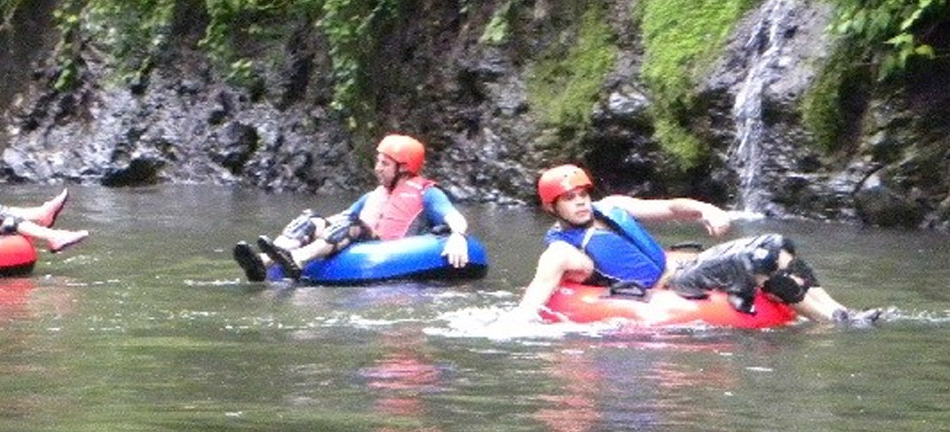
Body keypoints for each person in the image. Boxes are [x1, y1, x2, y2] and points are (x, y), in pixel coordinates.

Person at [513, 164, 887, 326]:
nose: (579, 202)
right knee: (764, 253)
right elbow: (536, 295)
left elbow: (670, 206)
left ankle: (837, 314)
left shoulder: (612, 207)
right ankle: (838, 320)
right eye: (569, 198)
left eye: (582, 194)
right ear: (552, 207)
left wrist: (705, 209)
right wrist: (519, 321)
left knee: (778, 243)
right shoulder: (561, 251)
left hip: (685, 266)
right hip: (671, 287)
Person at [232, 134, 472, 282]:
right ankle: (264, 261)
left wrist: (458, 236)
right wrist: (315, 225)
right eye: (377, 161)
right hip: (362, 243)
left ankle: (298, 259)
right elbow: (341, 218)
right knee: (310, 220)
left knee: (350, 225)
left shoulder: (427, 193)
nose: (377, 168)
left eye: (384, 163)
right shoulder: (374, 195)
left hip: (392, 250)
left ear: (404, 169)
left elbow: (455, 217)